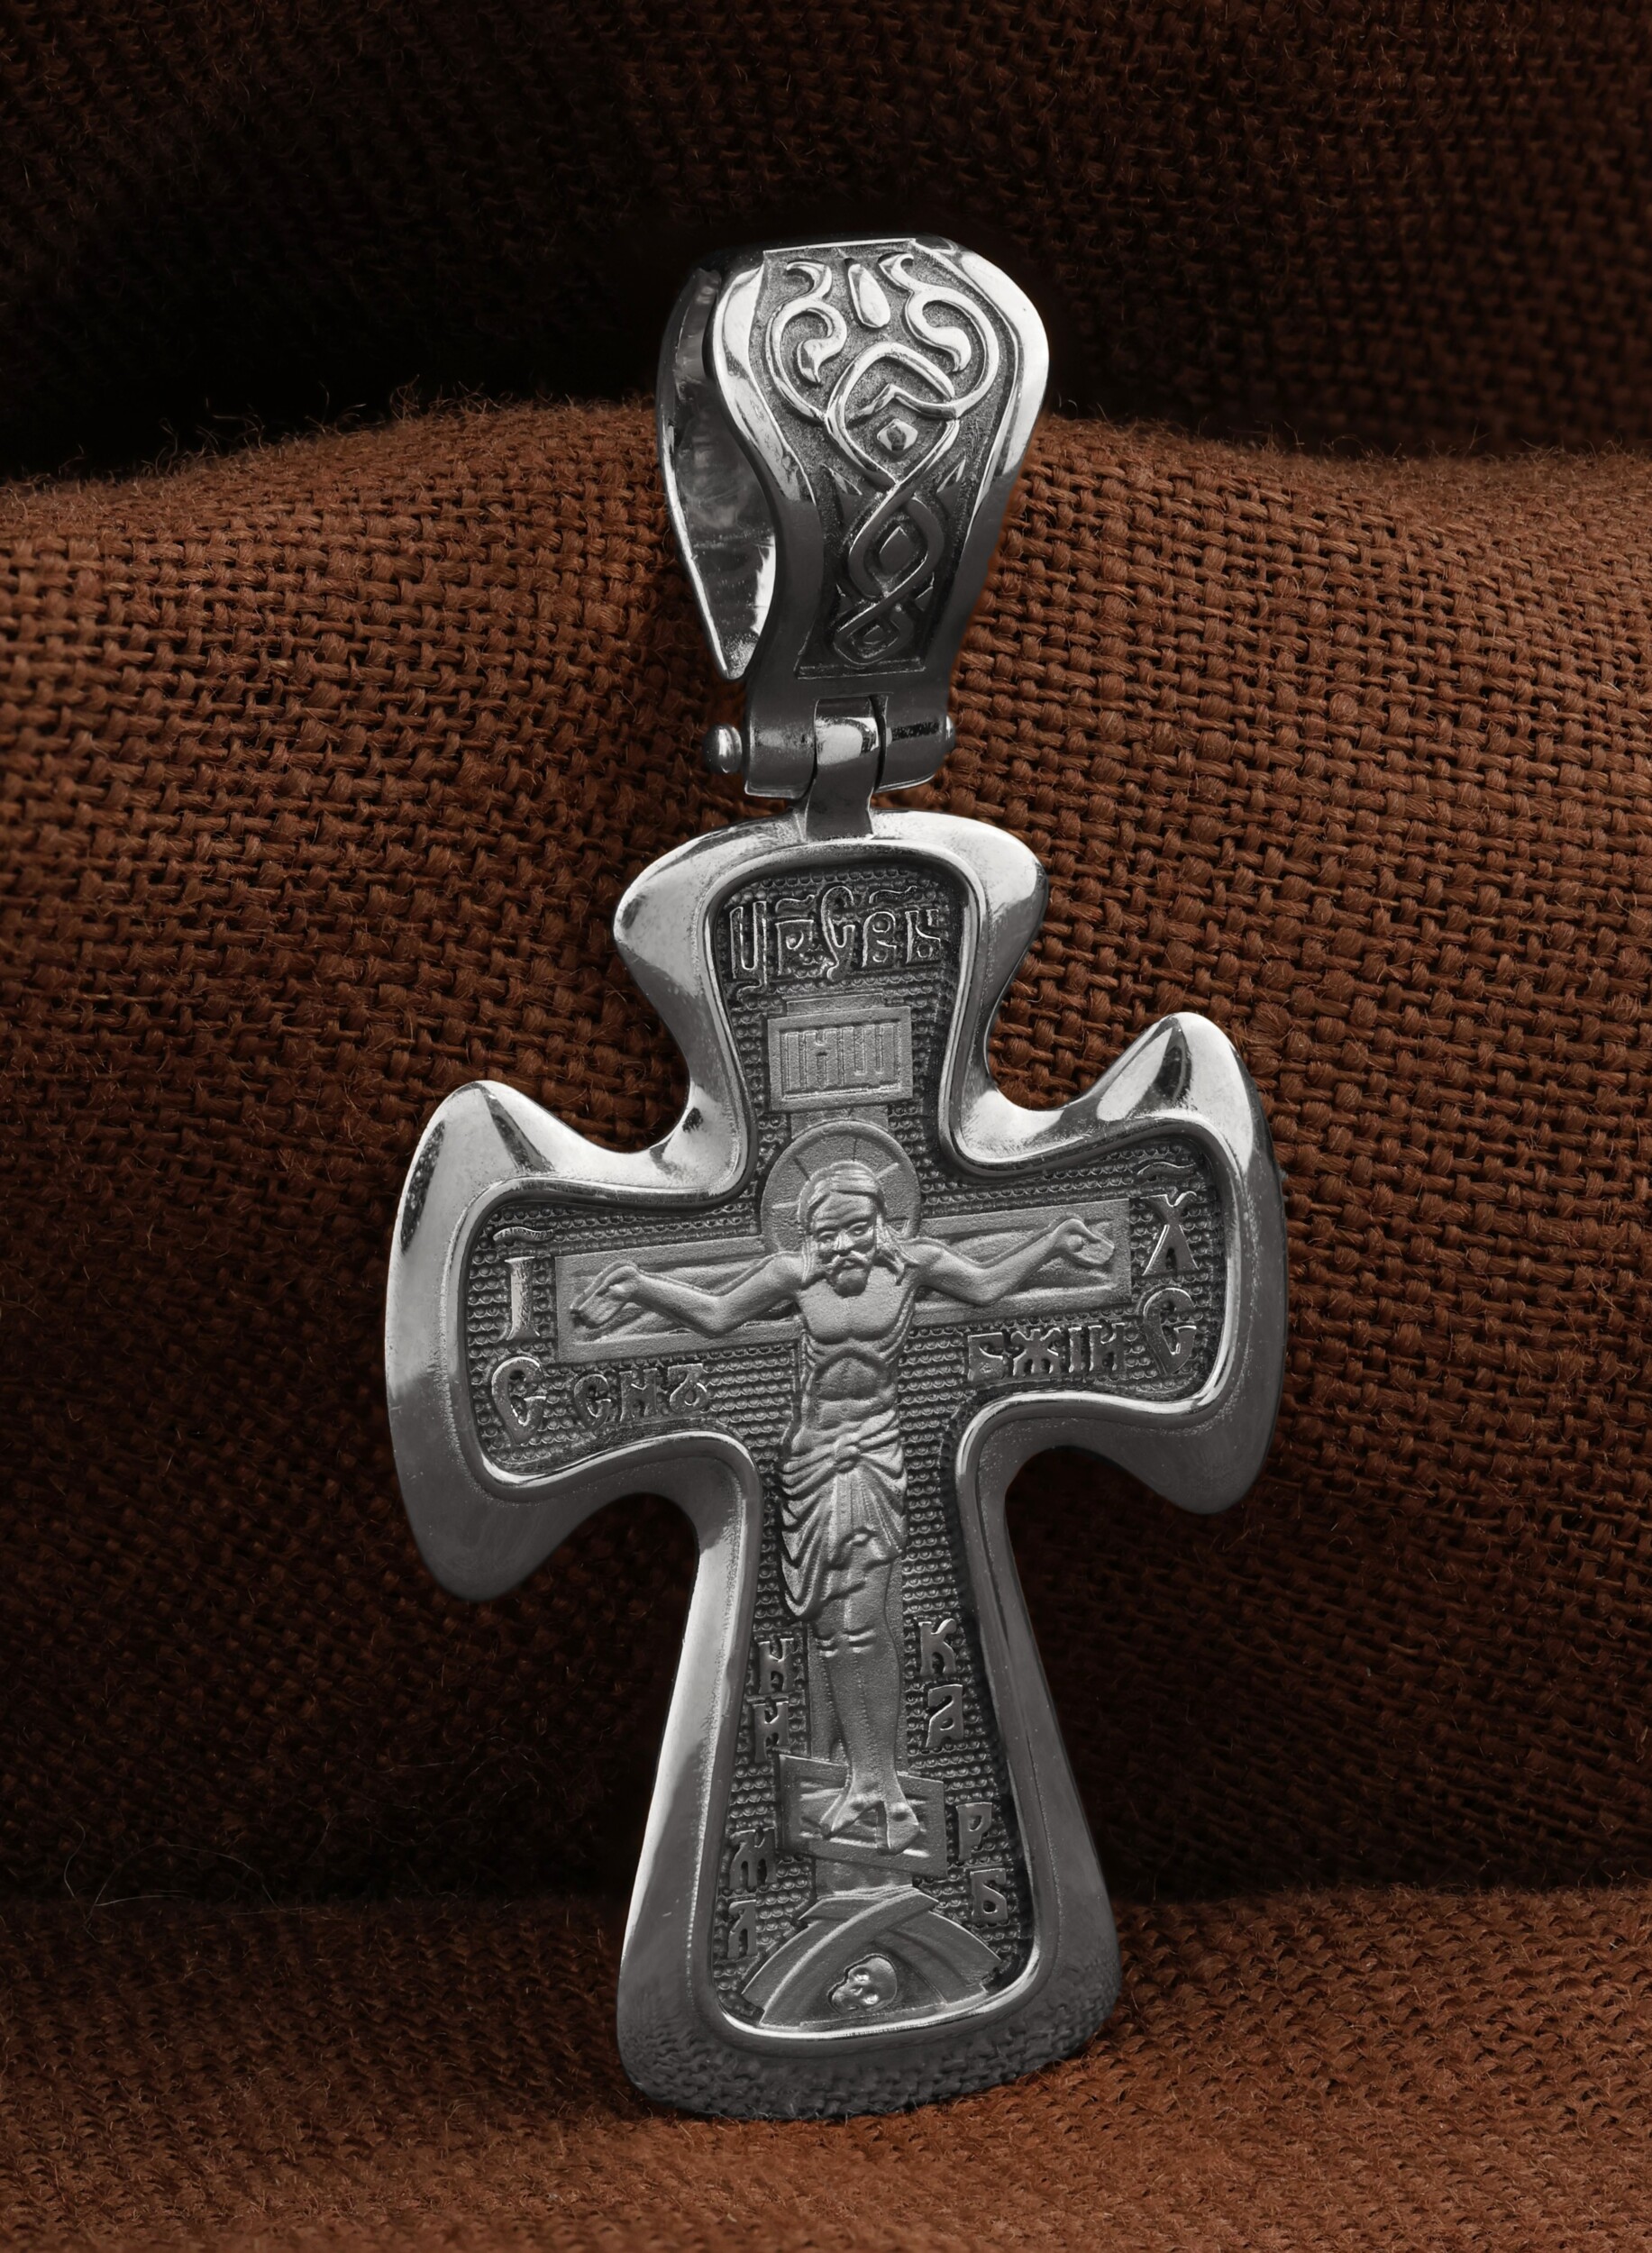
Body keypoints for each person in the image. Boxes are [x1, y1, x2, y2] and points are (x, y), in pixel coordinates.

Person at [575, 1158, 1111, 1853]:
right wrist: (638, 1285)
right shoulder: (793, 1276)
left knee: (864, 1624)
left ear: (880, 1221)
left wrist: (1054, 1241)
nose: (843, 1247)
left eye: (856, 1229)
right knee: (833, 1633)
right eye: (827, 1236)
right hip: (811, 1462)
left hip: (875, 1455)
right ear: (808, 1236)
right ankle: (863, 1783)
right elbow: (716, 1315)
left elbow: (983, 1286)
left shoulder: (913, 1265)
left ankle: (885, 1784)